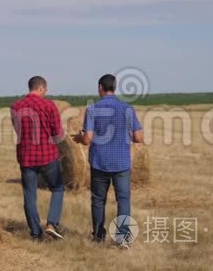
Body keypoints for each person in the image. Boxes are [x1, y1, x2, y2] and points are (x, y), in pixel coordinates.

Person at [73, 74, 143, 249]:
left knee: (98, 200)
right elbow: (138, 137)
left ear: (100, 88)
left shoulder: (93, 110)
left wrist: (79, 138)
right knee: (123, 200)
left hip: (100, 162)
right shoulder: (127, 109)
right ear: (115, 87)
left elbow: (88, 139)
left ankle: (98, 235)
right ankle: (123, 238)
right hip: (121, 163)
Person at [11, 76, 65, 240]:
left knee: (29, 195)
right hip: (47, 156)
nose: (45, 93)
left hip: (26, 157)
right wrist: (60, 140)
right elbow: (58, 134)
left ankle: (35, 233)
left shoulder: (15, 107)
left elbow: (18, 130)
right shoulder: (49, 105)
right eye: (45, 90)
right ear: (41, 88)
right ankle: (51, 224)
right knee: (58, 188)